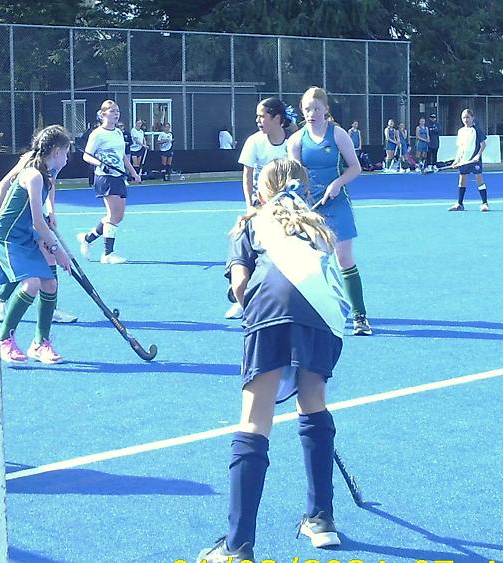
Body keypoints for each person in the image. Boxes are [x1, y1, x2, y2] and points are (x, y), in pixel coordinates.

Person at [197, 158, 350, 563]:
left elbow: (241, 286)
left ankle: (237, 545)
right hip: (325, 315)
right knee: (313, 403)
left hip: (271, 308)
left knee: (254, 418)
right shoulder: (317, 225)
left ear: (262, 191)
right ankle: (321, 520)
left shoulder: (250, 222)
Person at [289, 87, 371, 336]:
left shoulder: (338, 134)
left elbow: (355, 167)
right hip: (310, 207)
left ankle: (360, 316)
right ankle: (322, 312)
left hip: (337, 203)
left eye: (316, 108)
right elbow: (294, 176)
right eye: (307, 109)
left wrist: (336, 184)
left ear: (325, 109)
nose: (311, 113)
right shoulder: (296, 140)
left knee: (344, 258)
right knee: (315, 262)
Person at [0, 125, 73, 364]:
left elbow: (38, 222)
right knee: (31, 283)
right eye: (67, 152)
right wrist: (58, 251)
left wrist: (48, 242)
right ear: (57, 151)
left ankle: (40, 343)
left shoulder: (46, 175)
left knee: (50, 283)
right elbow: (38, 221)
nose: (68, 158)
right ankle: (4, 340)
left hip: (26, 233)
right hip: (9, 236)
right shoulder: (33, 175)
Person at [226, 97, 297, 320]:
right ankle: (241, 297)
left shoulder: (292, 143)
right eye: (257, 116)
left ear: (277, 118)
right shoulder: (254, 142)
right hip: (260, 205)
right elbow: (247, 176)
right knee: (244, 242)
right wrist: (249, 206)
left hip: (288, 206)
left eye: (262, 116)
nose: (258, 120)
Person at [0, 151, 78, 324]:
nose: (66, 156)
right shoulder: (30, 160)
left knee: (47, 258)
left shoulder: (53, 164)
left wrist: (51, 210)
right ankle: (1, 300)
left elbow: (50, 185)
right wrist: (0, 216)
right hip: (20, 221)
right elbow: (3, 185)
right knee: (28, 263)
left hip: (34, 217)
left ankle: (51, 308)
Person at [77, 100, 142, 264]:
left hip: (119, 177)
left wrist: (133, 172)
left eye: (117, 111)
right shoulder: (97, 134)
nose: (116, 114)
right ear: (103, 114)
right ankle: (107, 254)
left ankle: (87, 239)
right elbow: (86, 156)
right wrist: (101, 165)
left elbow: (122, 156)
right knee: (113, 215)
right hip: (105, 178)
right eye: (112, 111)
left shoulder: (118, 133)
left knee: (118, 216)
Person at [448, 108, 490, 212]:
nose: (466, 120)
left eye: (467, 117)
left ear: (472, 118)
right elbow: (460, 147)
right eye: (463, 118)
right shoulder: (461, 131)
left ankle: (485, 203)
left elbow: (483, 144)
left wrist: (478, 155)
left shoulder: (476, 130)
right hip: (464, 160)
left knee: (479, 180)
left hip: (475, 160)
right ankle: (460, 204)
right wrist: (456, 160)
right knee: (462, 181)